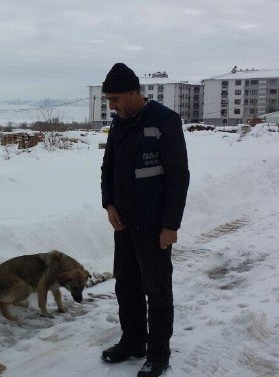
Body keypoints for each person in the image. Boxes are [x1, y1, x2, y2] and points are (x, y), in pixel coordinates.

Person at [99, 63, 190, 377]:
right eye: (108, 100)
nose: (111, 105)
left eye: (115, 99)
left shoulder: (165, 121)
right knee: (126, 286)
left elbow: (178, 177)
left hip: (154, 227)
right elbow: (107, 169)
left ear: (134, 92)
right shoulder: (119, 124)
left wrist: (171, 225)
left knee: (157, 290)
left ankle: (158, 353)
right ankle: (133, 341)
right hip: (124, 224)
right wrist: (108, 204)